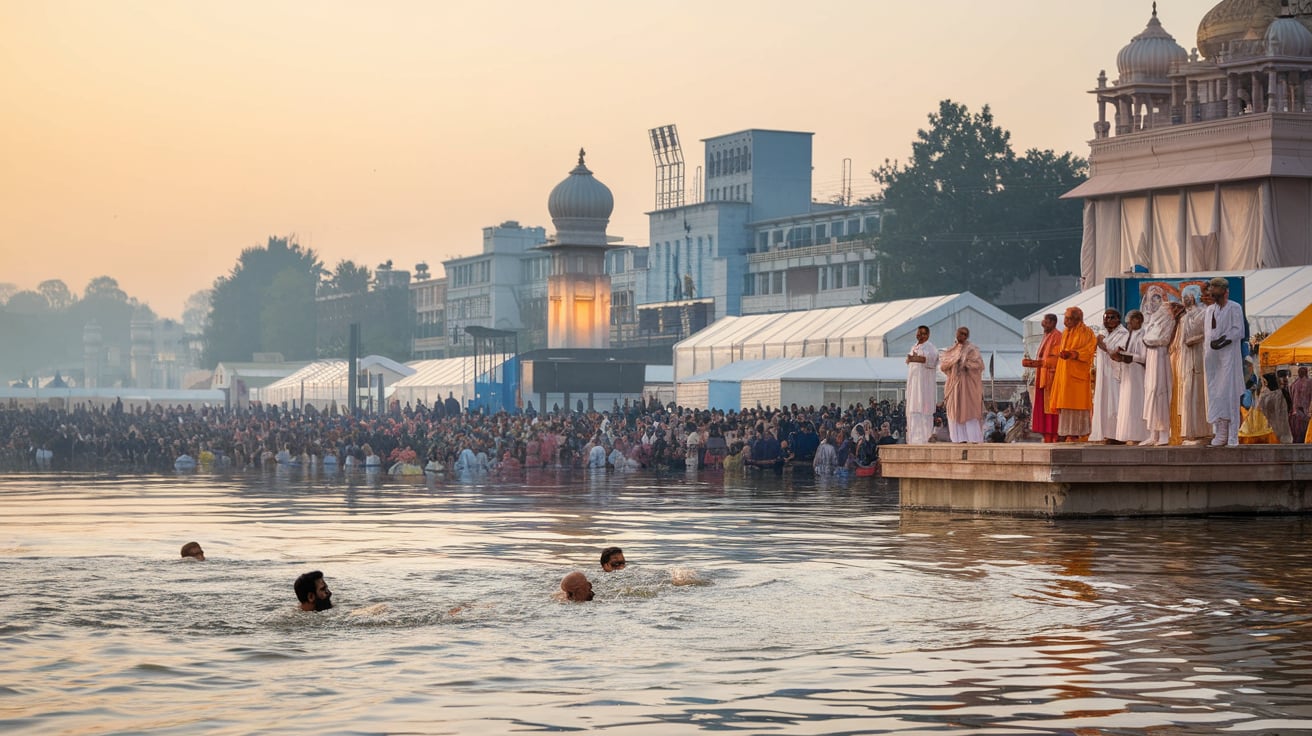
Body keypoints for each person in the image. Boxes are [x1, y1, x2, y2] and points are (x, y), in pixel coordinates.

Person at [1204, 276, 1245, 447]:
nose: (1212, 291)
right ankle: (1220, 432)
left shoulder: (1234, 307)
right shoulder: (1209, 310)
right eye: (1211, 288)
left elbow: (1239, 330)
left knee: (1229, 393)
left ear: (1225, 291)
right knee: (1215, 393)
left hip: (1228, 357)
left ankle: (1232, 434)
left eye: (1216, 288)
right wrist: (1210, 348)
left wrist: (1223, 340)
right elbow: (1208, 333)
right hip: (1213, 359)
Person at [1051, 306, 1097, 441]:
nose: (1065, 321)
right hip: (1065, 375)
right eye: (1065, 318)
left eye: (1068, 318)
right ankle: (1067, 434)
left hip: (1077, 377)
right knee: (1065, 405)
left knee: (1077, 406)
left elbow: (1089, 351)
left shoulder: (1086, 332)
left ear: (1077, 319)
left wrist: (1074, 354)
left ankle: (1077, 433)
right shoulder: (1065, 332)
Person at [1141, 298, 1183, 446]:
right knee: (1151, 393)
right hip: (1152, 360)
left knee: (1161, 393)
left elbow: (1162, 339)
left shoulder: (1169, 321)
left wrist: (1149, 339)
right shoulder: (1152, 322)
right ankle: (1153, 433)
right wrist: (1149, 339)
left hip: (1161, 359)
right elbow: (1146, 338)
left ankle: (1164, 433)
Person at [1172, 287, 1209, 444]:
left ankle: (1205, 431)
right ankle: (1190, 431)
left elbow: (1206, 333)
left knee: (1201, 391)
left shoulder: (1204, 313)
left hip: (1201, 355)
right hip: (1186, 358)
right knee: (1188, 392)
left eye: (1188, 296)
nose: (1185, 300)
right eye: (1183, 297)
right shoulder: (1183, 318)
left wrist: (1195, 339)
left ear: (1194, 297)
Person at [938, 326, 986, 443]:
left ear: (967, 336)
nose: (962, 336)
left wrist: (965, 363)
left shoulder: (972, 349)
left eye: (964, 334)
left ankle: (973, 440)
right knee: (954, 412)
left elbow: (980, 365)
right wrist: (954, 360)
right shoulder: (951, 350)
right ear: (956, 334)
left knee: (970, 412)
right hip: (954, 386)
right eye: (960, 334)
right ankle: (957, 440)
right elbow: (943, 366)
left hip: (968, 386)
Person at [1022, 314, 1062, 443]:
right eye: (1043, 322)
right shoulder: (1047, 336)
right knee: (1044, 409)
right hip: (1043, 376)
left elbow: (1056, 359)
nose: (1043, 324)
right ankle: (1047, 436)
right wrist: (1033, 363)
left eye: (1046, 322)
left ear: (1053, 322)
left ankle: (1054, 436)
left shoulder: (1057, 336)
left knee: (1052, 408)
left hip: (1052, 378)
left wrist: (1036, 363)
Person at [1091, 308, 1129, 443]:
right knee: (1104, 403)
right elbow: (1101, 345)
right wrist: (1103, 343)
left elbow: (1117, 350)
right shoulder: (1102, 332)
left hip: (1116, 373)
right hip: (1104, 374)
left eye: (1112, 318)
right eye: (1106, 318)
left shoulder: (1123, 333)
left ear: (1118, 319)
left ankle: (1119, 434)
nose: (1108, 320)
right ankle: (1107, 433)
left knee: (1116, 402)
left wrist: (1103, 343)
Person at [1113, 309, 1149, 444]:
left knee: (1136, 403)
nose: (1127, 324)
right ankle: (1128, 435)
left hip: (1138, 375)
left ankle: (1139, 435)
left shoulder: (1143, 335)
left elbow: (1144, 357)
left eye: (1130, 321)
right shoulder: (1130, 335)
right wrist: (1121, 354)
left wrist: (1130, 357)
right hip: (1128, 375)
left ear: (1138, 320)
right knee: (1127, 404)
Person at [905, 325, 939, 444]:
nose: (920, 335)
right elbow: (909, 360)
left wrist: (916, 358)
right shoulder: (914, 346)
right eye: (918, 333)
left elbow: (932, 360)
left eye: (923, 333)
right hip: (913, 386)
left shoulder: (931, 347)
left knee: (924, 413)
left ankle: (925, 440)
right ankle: (913, 440)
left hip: (924, 387)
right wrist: (911, 358)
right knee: (913, 412)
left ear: (928, 335)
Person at [1257, 372, 1293, 444]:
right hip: (1270, 424)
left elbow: (1280, 411)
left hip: (1275, 425)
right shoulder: (1266, 394)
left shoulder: (1277, 394)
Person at [1289, 365, 1311, 443]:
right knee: (1304, 433)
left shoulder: (1294, 383)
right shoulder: (1309, 382)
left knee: (1296, 434)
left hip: (1295, 412)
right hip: (1305, 412)